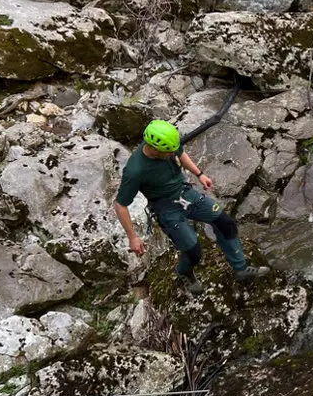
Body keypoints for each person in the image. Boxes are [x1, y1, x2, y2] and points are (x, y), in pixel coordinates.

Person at [113, 120, 268, 295]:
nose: (172, 153)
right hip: (166, 208)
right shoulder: (135, 170)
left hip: (184, 193)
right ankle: (184, 272)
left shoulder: (167, 145)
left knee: (225, 223)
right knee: (194, 250)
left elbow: (181, 153)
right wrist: (133, 237)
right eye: (168, 152)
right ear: (154, 149)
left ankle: (241, 269)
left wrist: (199, 174)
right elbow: (121, 205)